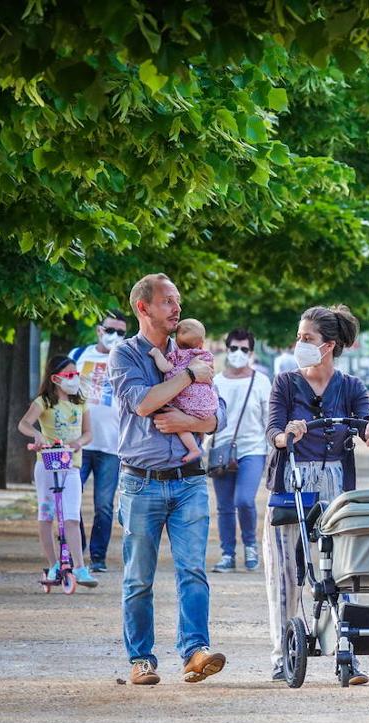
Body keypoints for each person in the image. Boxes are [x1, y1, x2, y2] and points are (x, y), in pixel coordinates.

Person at [110, 273, 228, 686]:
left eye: (178, 300)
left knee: (192, 570)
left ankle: (195, 651)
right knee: (138, 576)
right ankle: (141, 659)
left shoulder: (192, 350)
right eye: (167, 302)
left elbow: (219, 414)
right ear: (143, 308)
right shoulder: (125, 355)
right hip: (140, 482)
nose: (177, 308)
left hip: (190, 480)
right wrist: (190, 377)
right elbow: (143, 403)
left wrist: (189, 419)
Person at [265, 304, 369, 684]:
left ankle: (343, 648)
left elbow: (367, 423)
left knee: (340, 571)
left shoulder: (350, 387)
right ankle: (282, 651)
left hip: (335, 483)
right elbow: (272, 430)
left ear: (329, 345)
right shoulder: (285, 383)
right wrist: (288, 435)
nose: (298, 343)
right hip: (292, 481)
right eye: (299, 337)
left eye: (307, 338)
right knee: (285, 573)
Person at [16, 355, 98, 589]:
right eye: (69, 375)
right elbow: (24, 424)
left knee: (72, 516)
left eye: (76, 375)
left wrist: (77, 443)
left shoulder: (80, 402)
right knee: (47, 514)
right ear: (55, 378)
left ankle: (80, 567)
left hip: (71, 465)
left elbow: (88, 433)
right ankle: (53, 564)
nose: (74, 379)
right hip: (47, 465)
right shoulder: (44, 402)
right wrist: (37, 435)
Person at [208, 328, 273, 573]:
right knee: (224, 506)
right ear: (226, 349)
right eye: (233, 348)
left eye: (243, 349)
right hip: (222, 449)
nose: (238, 353)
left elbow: (269, 419)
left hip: (252, 449)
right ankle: (227, 554)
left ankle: (250, 545)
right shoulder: (216, 382)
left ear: (251, 352)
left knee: (244, 500)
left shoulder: (261, 381)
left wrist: (271, 452)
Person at [68, 309, 128, 573]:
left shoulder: (126, 360)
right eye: (110, 330)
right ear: (99, 330)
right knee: (73, 499)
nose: (114, 336)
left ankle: (98, 557)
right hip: (78, 443)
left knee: (104, 505)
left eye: (121, 332)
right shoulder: (78, 356)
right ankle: (75, 549)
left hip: (111, 446)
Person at [146, 319, 217, 464]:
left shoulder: (176, 356)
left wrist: (156, 354)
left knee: (178, 423)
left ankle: (194, 449)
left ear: (176, 342)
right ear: (201, 343)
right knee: (195, 420)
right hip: (208, 404)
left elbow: (165, 367)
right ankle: (200, 437)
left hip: (187, 404)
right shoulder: (205, 356)